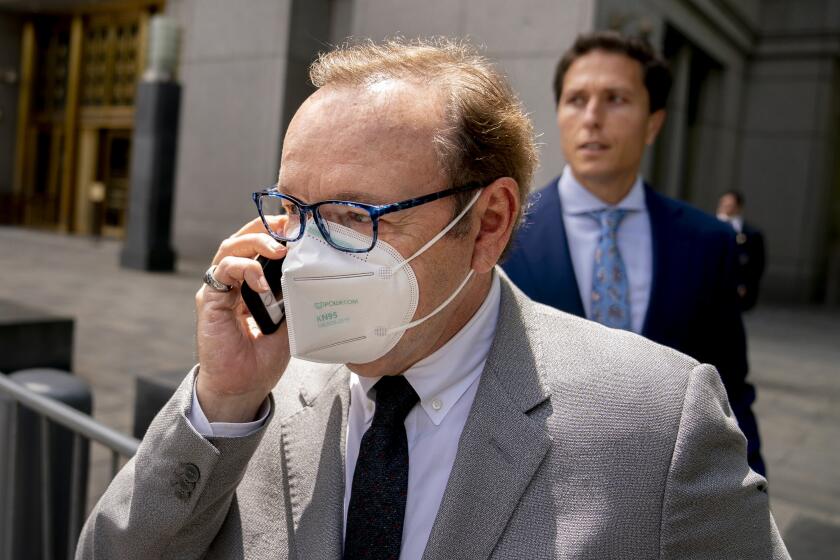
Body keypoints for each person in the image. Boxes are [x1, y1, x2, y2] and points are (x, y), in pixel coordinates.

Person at [77, 38, 788, 559]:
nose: (310, 253)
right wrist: (221, 404)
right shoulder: (258, 393)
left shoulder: (657, 423)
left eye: (356, 215)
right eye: (294, 209)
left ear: (489, 224)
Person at [502, 31, 767, 477]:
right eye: (576, 99)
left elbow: (729, 390)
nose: (592, 117)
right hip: (533, 488)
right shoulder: (503, 235)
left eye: (616, 99)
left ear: (653, 123)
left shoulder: (706, 242)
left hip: (668, 491)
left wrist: (751, 488)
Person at [717, 190, 766, 311]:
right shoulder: (707, 228)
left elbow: (758, 263)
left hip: (737, 287)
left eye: (730, 206)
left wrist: (746, 284)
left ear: (738, 207)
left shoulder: (752, 234)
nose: (726, 208)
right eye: (723, 205)